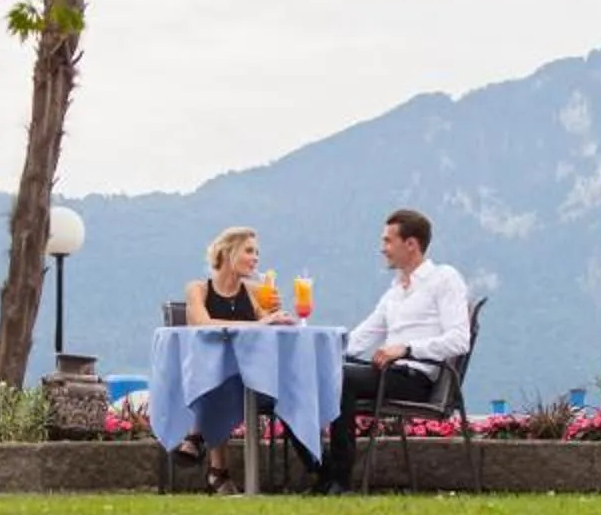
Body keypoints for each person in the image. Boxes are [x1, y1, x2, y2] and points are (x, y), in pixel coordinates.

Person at [319, 207, 471, 491]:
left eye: (388, 241)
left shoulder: (444, 279)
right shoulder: (395, 291)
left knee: (340, 380)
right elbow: (362, 338)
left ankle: (338, 481)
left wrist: (407, 349)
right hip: (388, 372)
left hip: (417, 379)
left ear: (411, 244)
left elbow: (460, 339)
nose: (383, 249)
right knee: (325, 374)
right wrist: (317, 353)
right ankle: (322, 471)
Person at [176, 225, 290, 491]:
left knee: (225, 381)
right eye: (249, 251)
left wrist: (276, 315)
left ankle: (200, 440)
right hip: (210, 376)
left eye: (257, 253)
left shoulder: (255, 291)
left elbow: (269, 327)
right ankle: (217, 470)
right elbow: (202, 324)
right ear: (228, 253)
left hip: (255, 378)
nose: (256, 258)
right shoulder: (198, 289)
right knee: (219, 378)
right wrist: (261, 323)